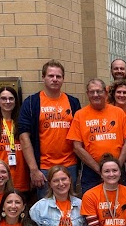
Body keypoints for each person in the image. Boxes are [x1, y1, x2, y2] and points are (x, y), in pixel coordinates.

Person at [18, 59, 82, 195]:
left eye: (58, 76)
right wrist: (34, 169)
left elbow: (79, 135)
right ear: (43, 78)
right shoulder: (31, 102)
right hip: (44, 168)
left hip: (69, 166)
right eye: (51, 76)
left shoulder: (73, 102)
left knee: (69, 207)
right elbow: (24, 137)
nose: (55, 79)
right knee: (46, 209)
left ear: (63, 79)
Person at [67, 78, 126, 192]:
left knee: (119, 203)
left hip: (116, 170)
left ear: (106, 93)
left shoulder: (118, 112)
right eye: (92, 92)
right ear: (87, 94)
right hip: (91, 171)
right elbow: (77, 147)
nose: (95, 95)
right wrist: (99, 169)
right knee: (91, 205)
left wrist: (117, 167)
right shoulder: (80, 115)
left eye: (99, 91)